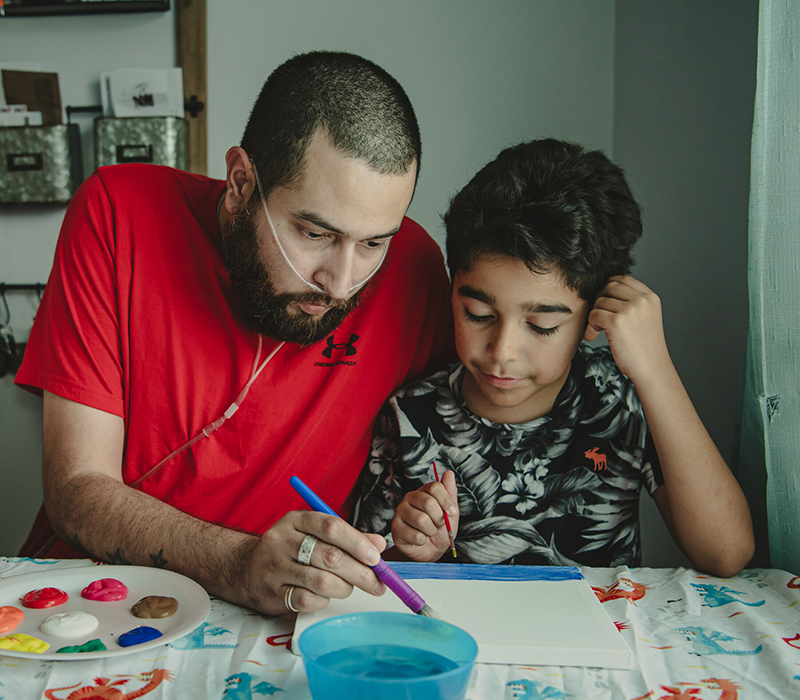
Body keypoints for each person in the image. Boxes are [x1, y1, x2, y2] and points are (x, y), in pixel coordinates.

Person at [14, 51, 455, 615]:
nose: (341, 284)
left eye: (373, 243)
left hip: (291, 618)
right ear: (242, 182)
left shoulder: (413, 266)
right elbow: (76, 490)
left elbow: (478, 414)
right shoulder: (117, 212)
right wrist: (238, 564)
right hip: (95, 598)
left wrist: (429, 521)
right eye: (315, 232)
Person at [357, 138, 754, 577]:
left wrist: (655, 369)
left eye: (542, 326)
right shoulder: (408, 416)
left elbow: (726, 553)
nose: (502, 352)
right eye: (478, 314)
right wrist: (412, 555)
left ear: (593, 316)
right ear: (452, 292)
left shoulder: (619, 398)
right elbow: (372, 572)